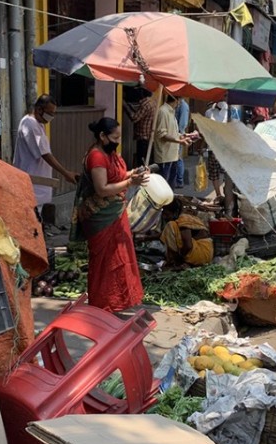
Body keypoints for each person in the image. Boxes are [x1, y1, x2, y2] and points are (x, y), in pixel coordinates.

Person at [70, 117, 148, 312]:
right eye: (115, 137)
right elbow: (102, 189)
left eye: (120, 137)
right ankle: (103, 303)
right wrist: (131, 183)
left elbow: (118, 175)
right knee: (104, 261)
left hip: (115, 212)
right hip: (101, 217)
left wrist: (134, 173)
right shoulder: (97, 156)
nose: (118, 141)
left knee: (120, 256)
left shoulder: (111, 153)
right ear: (102, 136)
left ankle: (118, 301)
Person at [13, 94, 79, 217]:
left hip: (39, 183)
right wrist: (66, 173)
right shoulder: (30, 124)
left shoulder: (39, 124)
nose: (52, 116)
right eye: (50, 113)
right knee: (32, 219)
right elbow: (45, 154)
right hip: (31, 183)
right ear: (39, 110)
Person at [160, 199, 213, 267]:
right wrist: (146, 238)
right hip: (207, 254)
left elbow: (188, 245)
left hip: (201, 254)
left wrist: (180, 258)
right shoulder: (187, 216)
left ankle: (180, 261)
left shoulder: (183, 218)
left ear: (175, 212)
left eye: (167, 214)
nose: (165, 217)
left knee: (170, 225)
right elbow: (163, 234)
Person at [153, 95, 190, 188]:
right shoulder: (163, 111)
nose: (180, 103)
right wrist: (179, 141)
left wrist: (183, 136)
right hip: (165, 155)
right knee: (163, 185)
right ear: (176, 100)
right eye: (180, 100)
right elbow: (162, 134)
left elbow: (173, 132)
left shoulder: (171, 112)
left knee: (170, 185)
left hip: (172, 155)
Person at [124, 88, 155, 167]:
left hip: (143, 138)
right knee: (145, 161)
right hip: (148, 137)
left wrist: (125, 106)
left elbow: (135, 118)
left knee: (141, 162)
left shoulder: (145, 105)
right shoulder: (152, 102)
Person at [204, 100, 229, 199]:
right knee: (225, 173)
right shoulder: (229, 113)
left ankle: (219, 194)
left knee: (215, 173)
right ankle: (224, 194)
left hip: (215, 148)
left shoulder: (209, 112)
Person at [175, 97, 190, 189]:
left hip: (179, 135)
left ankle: (179, 181)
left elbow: (182, 123)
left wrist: (179, 135)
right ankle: (178, 180)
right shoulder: (180, 105)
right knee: (177, 157)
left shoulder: (183, 106)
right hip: (177, 134)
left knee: (178, 158)